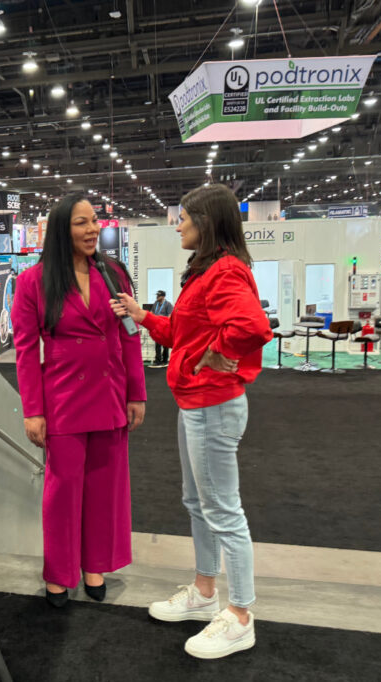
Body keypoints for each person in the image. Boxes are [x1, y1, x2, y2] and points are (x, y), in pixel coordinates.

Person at [111, 184, 272, 660]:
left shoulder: (224, 272)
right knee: (198, 503)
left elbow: (250, 328)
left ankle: (240, 615)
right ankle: (205, 592)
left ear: (207, 222)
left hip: (212, 404)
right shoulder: (206, 272)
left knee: (223, 509)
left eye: (183, 217)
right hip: (198, 403)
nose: (177, 224)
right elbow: (183, 332)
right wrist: (143, 317)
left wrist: (215, 358)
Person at [12, 193, 146, 608]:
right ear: (61, 230)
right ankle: (59, 572)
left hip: (109, 395)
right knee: (62, 491)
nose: (92, 230)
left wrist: (136, 391)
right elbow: (24, 350)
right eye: (81, 223)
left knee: (104, 489)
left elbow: (128, 334)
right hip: (63, 400)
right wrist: (33, 410)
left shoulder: (115, 275)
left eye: (95, 222)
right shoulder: (33, 281)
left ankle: (95, 566)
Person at [149, 291, 174, 367]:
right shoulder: (156, 303)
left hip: (164, 327)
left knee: (165, 345)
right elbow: (152, 312)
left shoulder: (168, 304)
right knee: (157, 344)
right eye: (157, 295)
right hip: (156, 326)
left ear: (163, 296)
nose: (157, 297)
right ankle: (158, 361)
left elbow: (170, 316)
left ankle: (165, 361)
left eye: (159, 296)